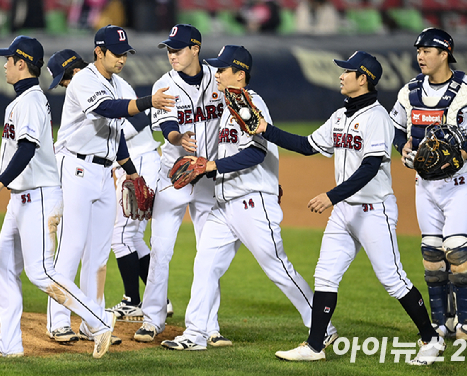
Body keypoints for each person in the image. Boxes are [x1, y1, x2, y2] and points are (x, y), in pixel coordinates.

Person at [261, 51, 444, 365]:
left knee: (392, 278)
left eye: (347, 71)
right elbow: (306, 146)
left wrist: (331, 195)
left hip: (374, 210)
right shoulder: (340, 116)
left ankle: (431, 338)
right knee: (325, 276)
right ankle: (315, 346)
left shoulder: (377, 118)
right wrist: (264, 129)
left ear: (363, 78)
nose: (341, 75)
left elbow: (370, 168)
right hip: (345, 211)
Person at [159, 45, 338, 351]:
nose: (216, 73)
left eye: (223, 69)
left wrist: (212, 166)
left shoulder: (251, 104)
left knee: (277, 267)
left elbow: (256, 151)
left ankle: (322, 325)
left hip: (252, 202)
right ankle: (196, 334)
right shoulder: (227, 107)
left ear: (239, 74)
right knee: (205, 264)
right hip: (225, 204)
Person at [0, 35, 117, 359]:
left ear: (21, 64)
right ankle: (9, 342)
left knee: (42, 273)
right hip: (22, 199)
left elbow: (26, 149)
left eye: (8, 59)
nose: (4, 64)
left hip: (37, 198)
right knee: (5, 265)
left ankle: (98, 321)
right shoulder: (23, 101)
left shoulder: (31, 102)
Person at [45, 25, 175, 343]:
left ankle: (93, 323)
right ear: (98, 52)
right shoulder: (83, 80)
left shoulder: (116, 82)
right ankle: (58, 321)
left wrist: (130, 172)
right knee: (72, 246)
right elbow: (107, 109)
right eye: (116, 53)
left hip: (104, 173)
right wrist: (148, 102)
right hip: (76, 168)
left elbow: (114, 134)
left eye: (125, 53)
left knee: (99, 254)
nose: (122, 59)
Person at [390, 28, 467, 341]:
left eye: (427, 50)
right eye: (419, 50)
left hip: (462, 181)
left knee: (457, 249)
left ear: (445, 52)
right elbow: (397, 130)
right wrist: (404, 149)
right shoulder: (409, 91)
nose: (420, 56)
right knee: (432, 253)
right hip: (425, 184)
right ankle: (443, 323)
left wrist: (464, 152)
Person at [133, 24, 229, 346]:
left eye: (178, 48)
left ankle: (208, 325)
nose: (172, 54)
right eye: (169, 49)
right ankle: (152, 320)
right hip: (173, 176)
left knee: (209, 255)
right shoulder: (165, 84)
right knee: (160, 250)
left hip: (209, 180)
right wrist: (179, 138)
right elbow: (168, 128)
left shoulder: (219, 78)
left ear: (196, 49)